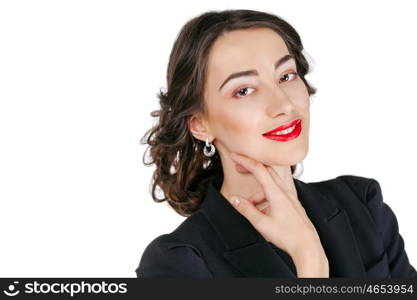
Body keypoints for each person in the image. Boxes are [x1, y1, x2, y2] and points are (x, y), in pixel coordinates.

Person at [135, 9, 417, 278]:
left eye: (286, 76)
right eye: (244, 90)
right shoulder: (177, 261)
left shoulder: (362, 205)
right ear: (199, 123)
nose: (283, 104)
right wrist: (309, 258)